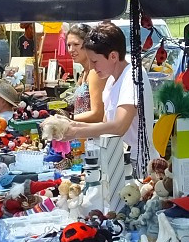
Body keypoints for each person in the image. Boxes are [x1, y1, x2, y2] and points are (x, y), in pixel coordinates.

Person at [63, 21, 159, 176]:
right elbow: (105, 126)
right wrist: (72, 125)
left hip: (138, 164)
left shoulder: (133, 75)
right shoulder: (111, 81)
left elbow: (119, 127)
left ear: (113, 56)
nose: (93, 67)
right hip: (119, 161)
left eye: (95, 61)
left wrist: (76, 131)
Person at [64, 23, 105, 123]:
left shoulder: (95, 73)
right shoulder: (84, 72)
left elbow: (98, 114)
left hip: (92, 135)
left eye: (76, 45)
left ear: (88, 45)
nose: (71, 50)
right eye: (68, 45)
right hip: (81, 134)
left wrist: (67, 119)